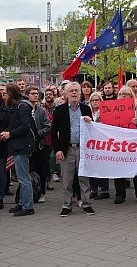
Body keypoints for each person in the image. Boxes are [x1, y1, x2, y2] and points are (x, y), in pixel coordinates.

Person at [51, 82, 95, 217]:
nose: (74, 93)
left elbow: (93, 130)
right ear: (66, 94)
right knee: (67, 179)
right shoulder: (59, 110)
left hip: (82, 149)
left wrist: (90, 122)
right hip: (67, 149)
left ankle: (86, 204)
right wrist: (57, 149)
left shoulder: (86, 109)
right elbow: (53, 132)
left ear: (80, 93)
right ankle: (67, 205)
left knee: (83, 178)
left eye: (76, 90)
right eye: (71, 91)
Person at [0, 83, 37, 217]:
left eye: (5, 94)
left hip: (22, 146)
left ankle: (28, 206)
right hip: (18, 146)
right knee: (22, 177)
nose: (4, 96)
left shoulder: (22, 106)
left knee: (23, 178)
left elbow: (25, 126)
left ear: (11, 94)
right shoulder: (16, 106)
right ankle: (22, 202)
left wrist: (10, 134)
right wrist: (6, 132)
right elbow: (15, 125)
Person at [113, 86, 137, 204]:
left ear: (131, 96)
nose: (123, 96)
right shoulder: (113, 109)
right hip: (119, 145)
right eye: (121, 94)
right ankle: (120, 194)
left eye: (126, 94)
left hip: (134, 145)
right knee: (118, 170)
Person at [26, 86, 52, 203]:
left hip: (40, 145)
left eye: (37, 93)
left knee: (41, 170)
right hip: (27, 146)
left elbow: (48, 126)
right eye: (32, 93)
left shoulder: (42, 111)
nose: (35, 95)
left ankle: (41, 192)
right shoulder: (24, 109)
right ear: (27, 95)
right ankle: (31, 192)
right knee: (29, 169)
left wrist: (37, 134)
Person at [87, 92, 110, 200]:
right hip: (90, 144)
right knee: (92, 166)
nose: (95, 102)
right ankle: (93, 189)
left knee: (103, 166)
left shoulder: (105, 112)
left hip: (102, 144)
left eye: (97, 100)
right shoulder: (87, 112)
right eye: (93, 100)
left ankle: (105, 190)